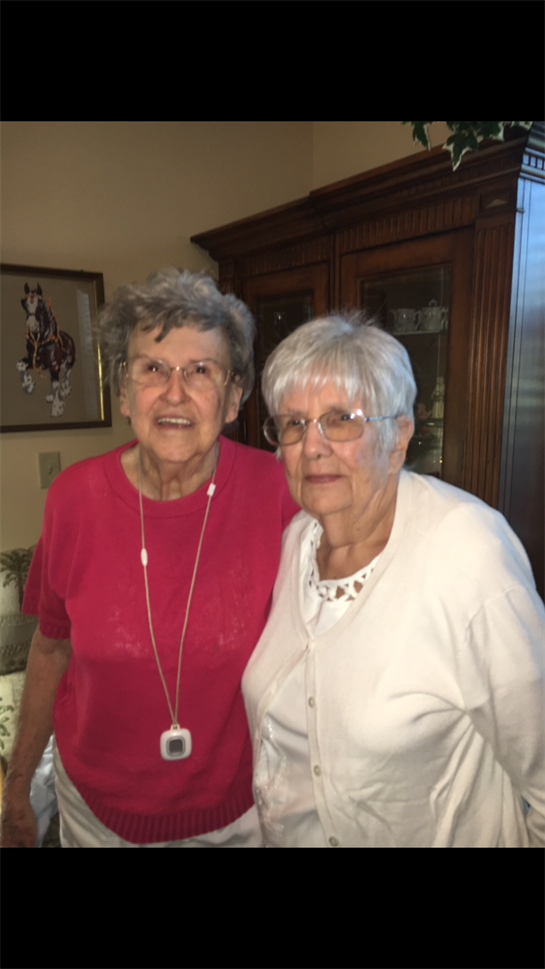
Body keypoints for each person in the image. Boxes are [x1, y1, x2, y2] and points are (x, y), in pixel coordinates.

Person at [0, 269, 297, 848]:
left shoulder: (281, 492)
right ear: (123, 391)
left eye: (201, 371)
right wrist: (15, 789)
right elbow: (50, 646)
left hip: (239, 813)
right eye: (153, 368)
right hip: (95, 812)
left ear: (234, 396)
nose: (175, 392)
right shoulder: (74, 499)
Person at [242, 314, 545, 848]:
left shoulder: (467, 552)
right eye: (292, 423)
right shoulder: (297, 541)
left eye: (340, 419)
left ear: (399, 436)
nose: (311, 446)